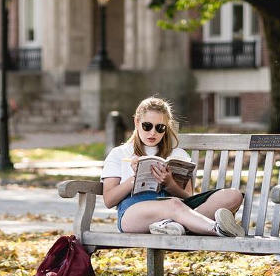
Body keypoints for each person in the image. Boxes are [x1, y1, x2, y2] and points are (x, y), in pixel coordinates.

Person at [101, 96, 245, 237]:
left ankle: (174, 226)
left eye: (160, 128)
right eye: (147, 126)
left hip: (179, 207)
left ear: (166, 127)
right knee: (173, 204)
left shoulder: (178, 154)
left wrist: (169, 184)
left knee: (233, 195)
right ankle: (217, 229)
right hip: (134, 212)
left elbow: (188, 196)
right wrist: (135, 178)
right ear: (137, 122)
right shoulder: (120, 153)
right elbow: (109, 200)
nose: (153, 132)